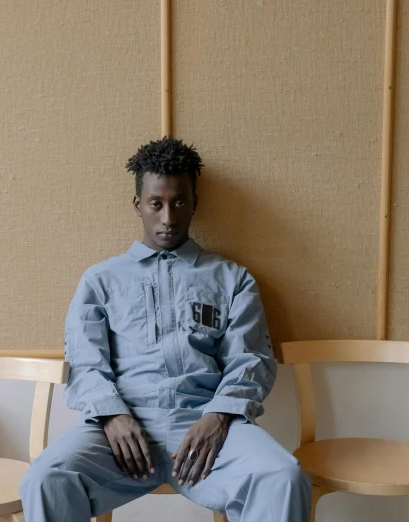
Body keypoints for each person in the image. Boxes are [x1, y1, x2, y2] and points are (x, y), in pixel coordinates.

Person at [19, 137, 311, 522]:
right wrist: (112, 416)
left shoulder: (231, 278)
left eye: (179, 202)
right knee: (45, 478)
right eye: (156, 204)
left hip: (208, 427)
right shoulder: (101, 280)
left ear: (195, 203)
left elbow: (251, 359)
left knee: (283, 476)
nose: (168, 218)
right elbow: (86, 363)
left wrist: (219, 416)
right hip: (120, 431)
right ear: (138, 205)